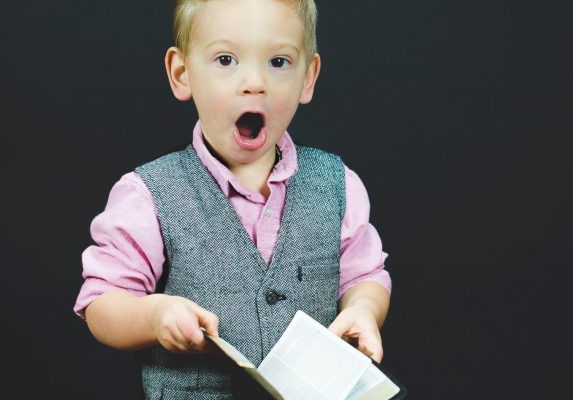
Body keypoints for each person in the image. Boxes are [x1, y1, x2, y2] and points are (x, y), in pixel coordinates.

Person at [72, 0, 392, 397]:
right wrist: (153, 316)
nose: (254, 82)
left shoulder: (337, 184)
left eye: (278, 62)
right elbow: (102, 302)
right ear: (182, 73)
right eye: (226, 59)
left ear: (307, 78)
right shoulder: (148, 195)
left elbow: (365, 276)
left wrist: (363, 308)